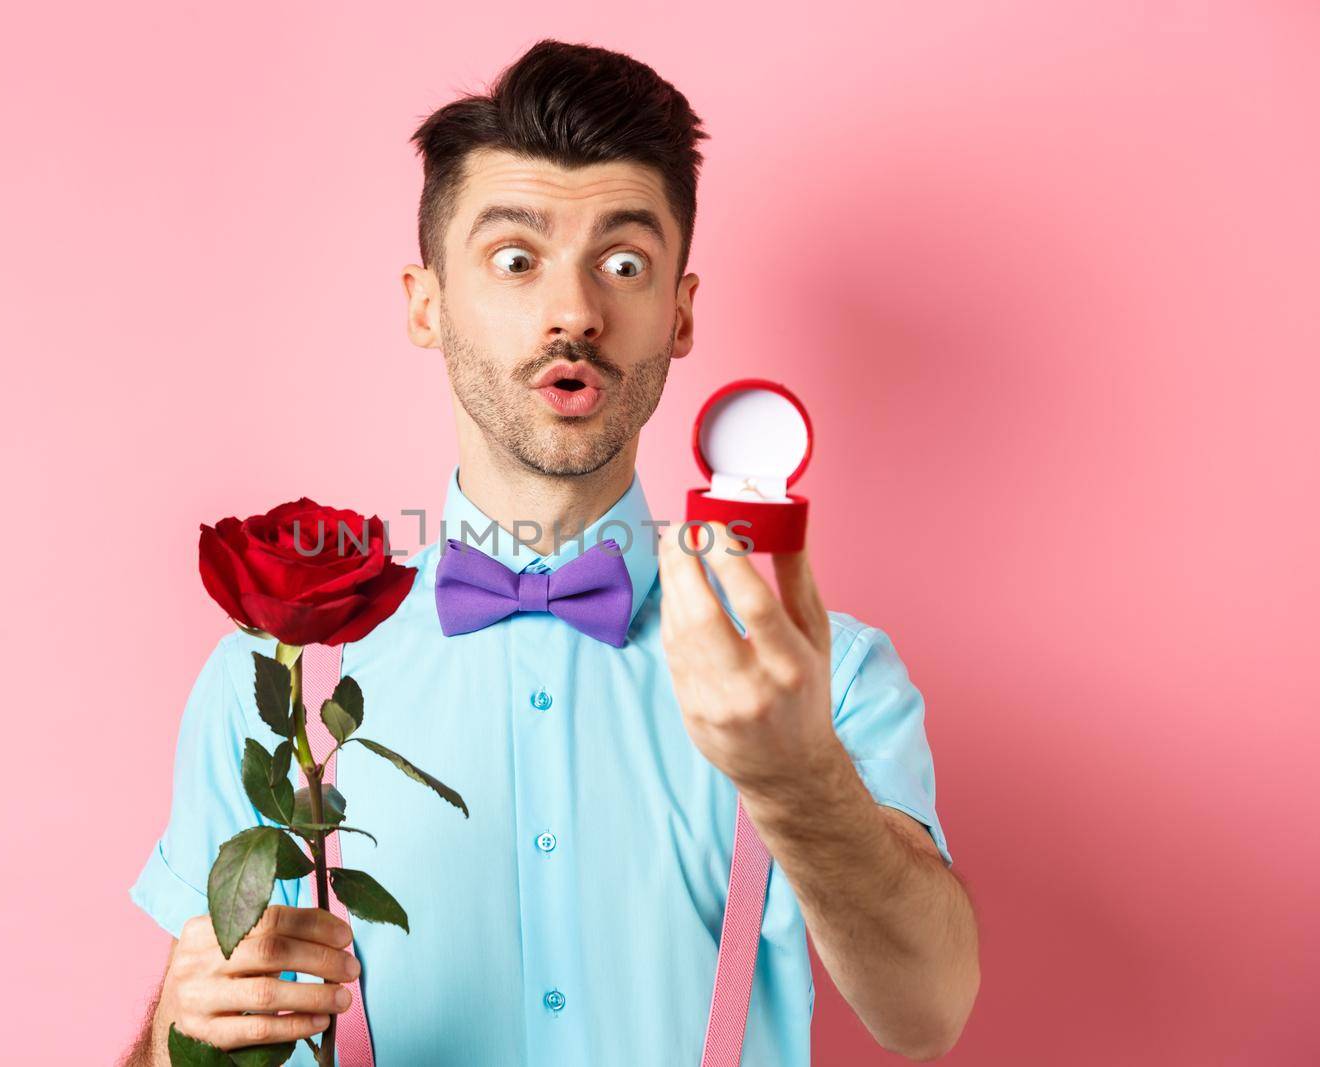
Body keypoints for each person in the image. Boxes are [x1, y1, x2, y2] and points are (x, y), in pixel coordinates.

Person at [123, 38, 979, 1067]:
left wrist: (796, 776)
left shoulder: (829, 677)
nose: (574, 310)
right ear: (425, 302)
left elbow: (928, 1013)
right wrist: (181, 1041)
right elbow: (195, 1039)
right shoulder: (276, 683)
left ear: (680, 312)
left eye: (624, 263)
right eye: (515, 258)